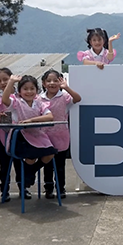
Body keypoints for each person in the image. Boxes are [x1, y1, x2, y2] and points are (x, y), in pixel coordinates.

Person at [1, 74, 57, 199]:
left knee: (50, 153)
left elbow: (49, 116)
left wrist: (31, 120)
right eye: (25, 89)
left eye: (32, 89)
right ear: (20, 91)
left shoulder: (39, 103)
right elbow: (5, 100)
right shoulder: (16, 102)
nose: (29, 92)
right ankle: (29, 173)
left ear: (36, 91)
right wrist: (10, 81)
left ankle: (31, 172)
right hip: (20, 137)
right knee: (30, 157)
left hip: (37, 135)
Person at [39, 69, 82, 199]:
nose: (52, 83)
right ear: (44, 83)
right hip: (45, 135)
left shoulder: (64, 97)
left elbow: (77, 98)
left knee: (60, 164)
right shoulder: (39, 98)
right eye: (49, 80)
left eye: (55, 80)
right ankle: (48, 188)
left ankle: (60, 188)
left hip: (61, 134)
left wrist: (66, 88)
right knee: (47, 163)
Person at [0, 67, 19, 200]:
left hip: (20, 135)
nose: (3, 83)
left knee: (20, 164)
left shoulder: (22, 95)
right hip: (1, 136)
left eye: (5, 79)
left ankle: (23, 188)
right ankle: (5, 190)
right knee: (4, 165)